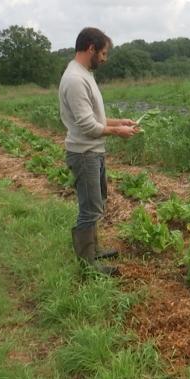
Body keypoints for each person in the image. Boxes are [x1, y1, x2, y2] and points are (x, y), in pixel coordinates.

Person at [59, 27, 140, 275]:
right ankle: (88, 264)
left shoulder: (84, 74)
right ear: (91, 48)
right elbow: (86, 126)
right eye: (103, 53)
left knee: (97, 202)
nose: (105, 58)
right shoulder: (75, 79)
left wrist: (119, 122)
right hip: (84, 154)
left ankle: (93, 249)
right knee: (90, 206)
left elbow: (95, 118)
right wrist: (118, 133)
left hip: (93, 151)